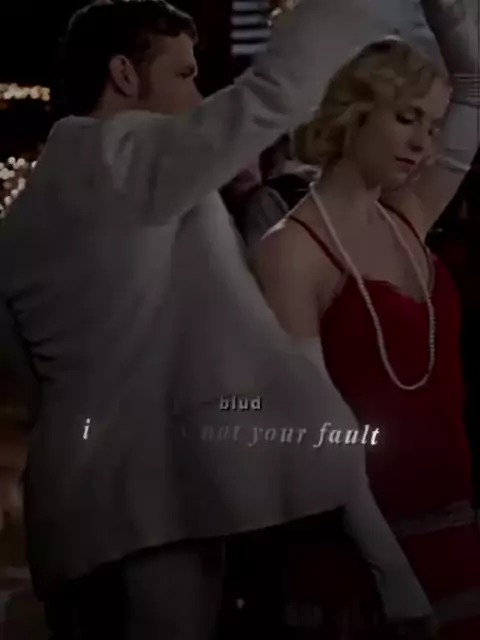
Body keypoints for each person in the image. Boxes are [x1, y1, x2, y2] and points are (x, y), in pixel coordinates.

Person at [0, 0, 435, 638]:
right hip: (150, 508)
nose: (198, 95)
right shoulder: (128, 156)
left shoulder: (24, 216)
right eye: (183, 74)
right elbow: (273, 93)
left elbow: (27, 380)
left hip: (68, 514)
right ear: (124, 75)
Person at [252, 0, 480, 637]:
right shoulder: (291, 251)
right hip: (356, 555)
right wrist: (389, 570)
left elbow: (477, 93)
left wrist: (449, 15)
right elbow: (315, 430)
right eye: (406, 118)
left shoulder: (408, 213)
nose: (424, 144)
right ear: (354, 111)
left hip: (454, 533)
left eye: (432, 125)